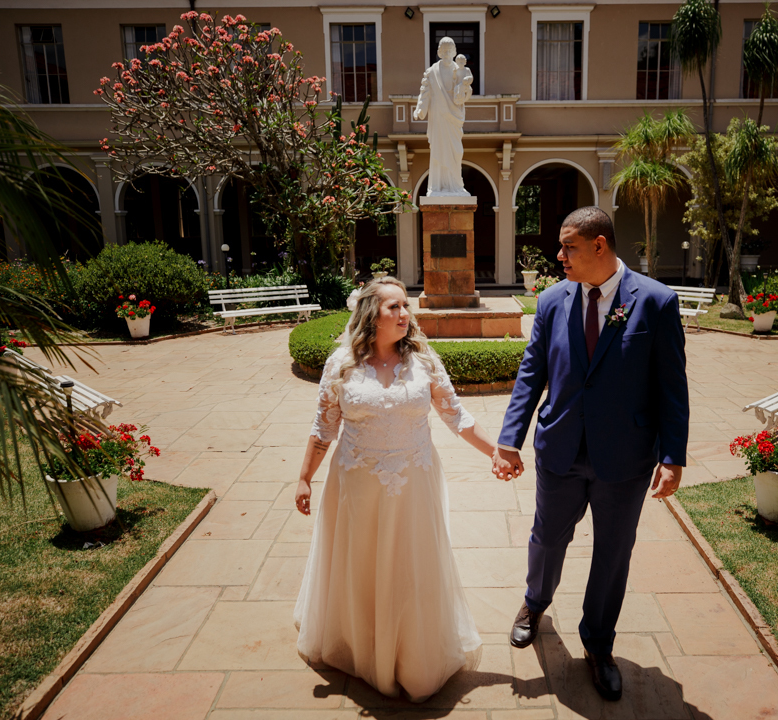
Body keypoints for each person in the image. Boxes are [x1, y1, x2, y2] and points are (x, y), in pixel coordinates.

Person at [492, 206, 689, 702]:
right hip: (559, 448)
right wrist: (509, 438)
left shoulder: (657, 302)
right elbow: (531, 373)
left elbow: (671, 387)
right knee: (546, 537)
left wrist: (673, 455)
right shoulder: (553, 301)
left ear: (599, 246)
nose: (559, 256)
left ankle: (599, 644)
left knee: (613, 553)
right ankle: (534, 604)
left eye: (568, 247)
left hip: (624, 458)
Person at [294, 276, 495, 702]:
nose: (405, 314)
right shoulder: (341, 364)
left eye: (406, 306)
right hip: (357, 485)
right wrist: (304, 478)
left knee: (410, 563)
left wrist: (496, 453)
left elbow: (457, 417)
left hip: (412, 483)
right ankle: (361, 644)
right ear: (371, 315)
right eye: (394, 308)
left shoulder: (423, 361)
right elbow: (322, 429)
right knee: (362, 562)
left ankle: (409, 653)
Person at [412, 37, 470, 196]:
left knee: (456, 152)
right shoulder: (432, 72)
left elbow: (465, 92)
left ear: (454, 52)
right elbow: (425, 93)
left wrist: (465, 91)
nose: (446, 53)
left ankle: (456, 185)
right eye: (443, 50)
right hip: (438, 117)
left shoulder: (458, 70)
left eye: (449, 50)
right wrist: (420, 109)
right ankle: (437, 187)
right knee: (438, 150)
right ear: (438, 52)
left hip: (454, 117)